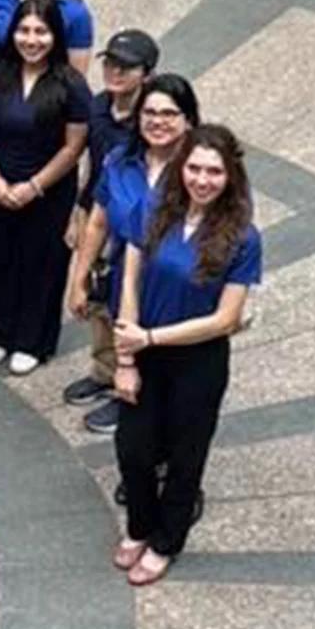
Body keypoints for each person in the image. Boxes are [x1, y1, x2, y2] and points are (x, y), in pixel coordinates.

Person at [112, 124, 261, 587]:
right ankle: (140, 525)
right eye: (194, 168)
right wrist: (126, 355)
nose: (202, 179)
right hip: (142, 347)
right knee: (132, 449)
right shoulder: (155, 210)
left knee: (185, 455)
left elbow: (224, 319)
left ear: (230, 176)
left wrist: (150, 338)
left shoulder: (243, 237)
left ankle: (166, 540)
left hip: (197, 362)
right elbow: (130, 278)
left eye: (214, 172)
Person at [67, 71, 199, 437]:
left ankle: (136, 403)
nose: (158, 122)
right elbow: (98, 221)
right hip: (120, 261)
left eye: (169, 114)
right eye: (150, 113)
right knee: (108, 323)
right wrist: (79, 278)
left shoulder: (198, 171)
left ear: (188, 119)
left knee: (152, 346)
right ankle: (110, 378)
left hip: (169, 277)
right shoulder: (121, 160)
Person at [0, 0, 91, 375]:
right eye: (24, 30)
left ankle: (31, 340)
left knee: (41, 264)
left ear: (55, 36)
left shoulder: (70, 84)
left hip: (48, 190)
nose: (31, 39)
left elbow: (74, 147)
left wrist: (34, 186)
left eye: (41, 31)